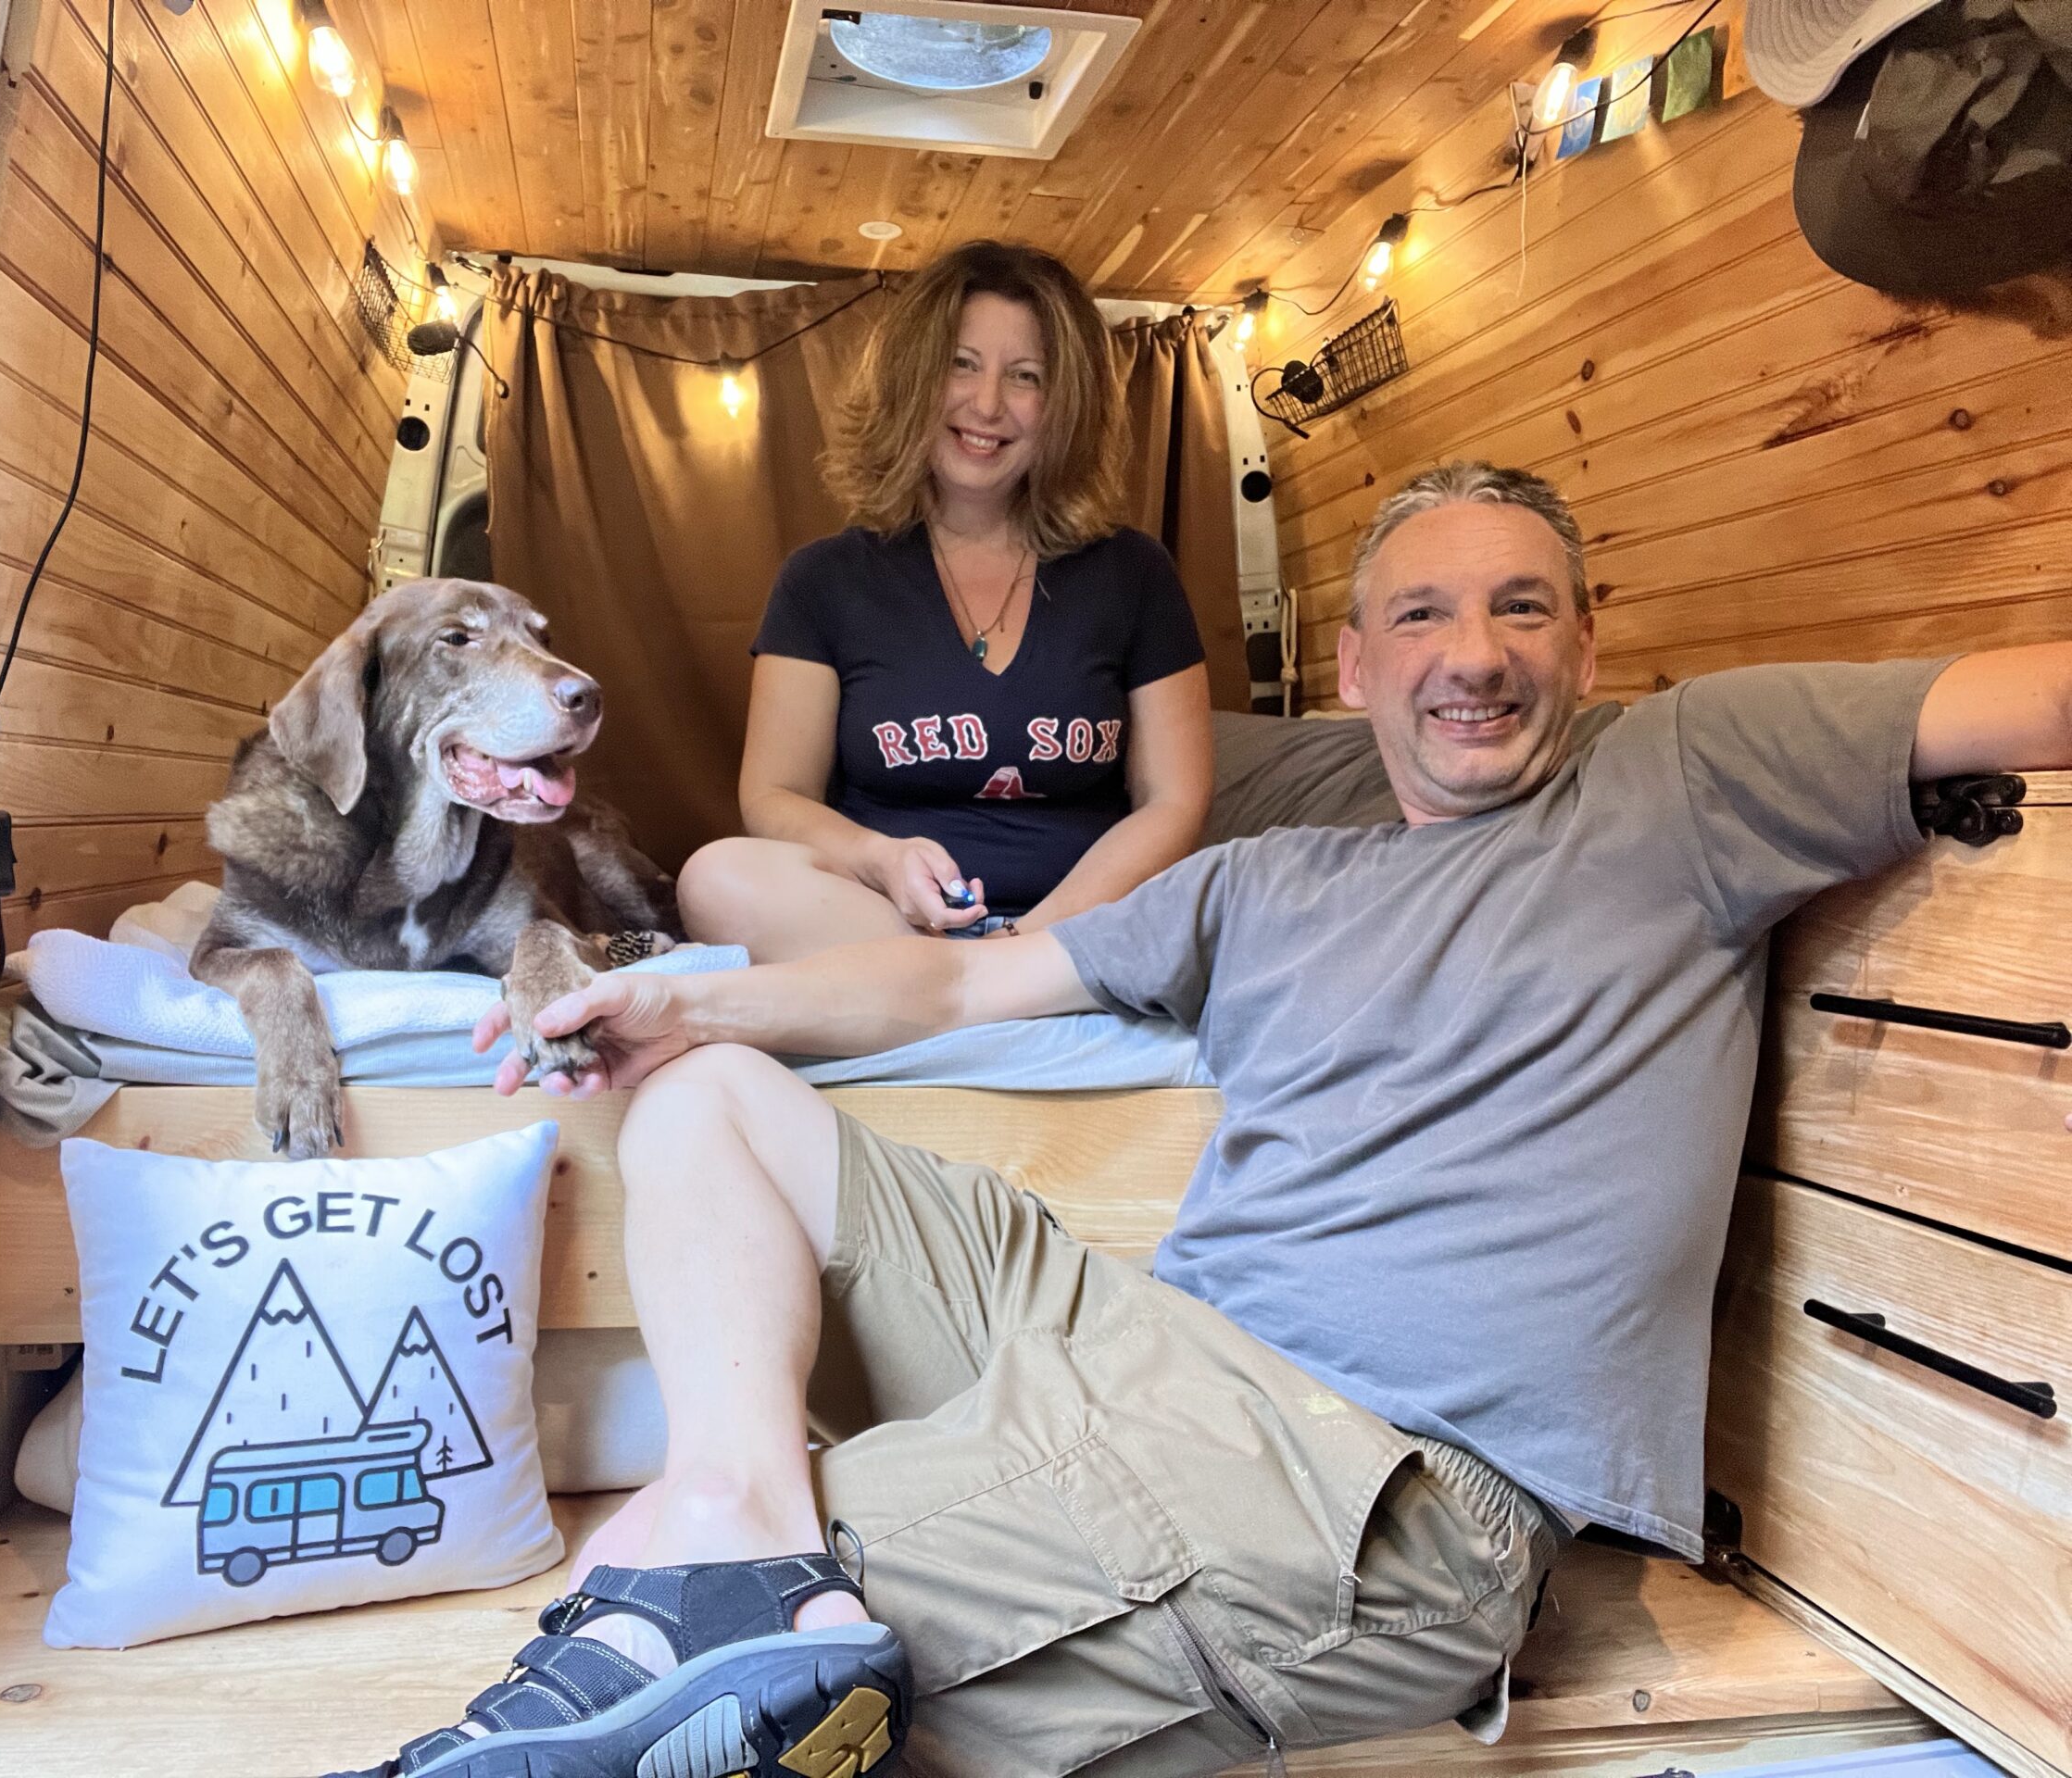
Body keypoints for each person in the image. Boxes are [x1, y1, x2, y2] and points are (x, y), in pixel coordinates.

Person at [332, 463, 2072, 1778]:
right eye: (1424, 617)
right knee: (705, 1096)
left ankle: (741, 1588)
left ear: (1590, 643)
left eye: (1526, 610)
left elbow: (2035, 694)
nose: (1476, 657)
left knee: (668, 1668)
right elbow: (945, 993)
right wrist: (678, 999)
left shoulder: (1690, 773)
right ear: (1354, 662)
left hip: (1376, 1480)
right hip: (1145, 1343)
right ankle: (738, 1506)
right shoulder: (1265, 877)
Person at [677, 241, 1214, 962]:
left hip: (1082, 929)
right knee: (715, 878)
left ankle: (966, 991)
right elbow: (774, 796)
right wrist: (880, 860)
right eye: (961, 364)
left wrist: (1038, 938)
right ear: (913, 377)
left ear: (1065, 405)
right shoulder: (821, 581)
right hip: (888, 923)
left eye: (1026, 377)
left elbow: (1173, 802)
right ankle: (970, 988)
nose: (987, 404)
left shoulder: (1135, 572)